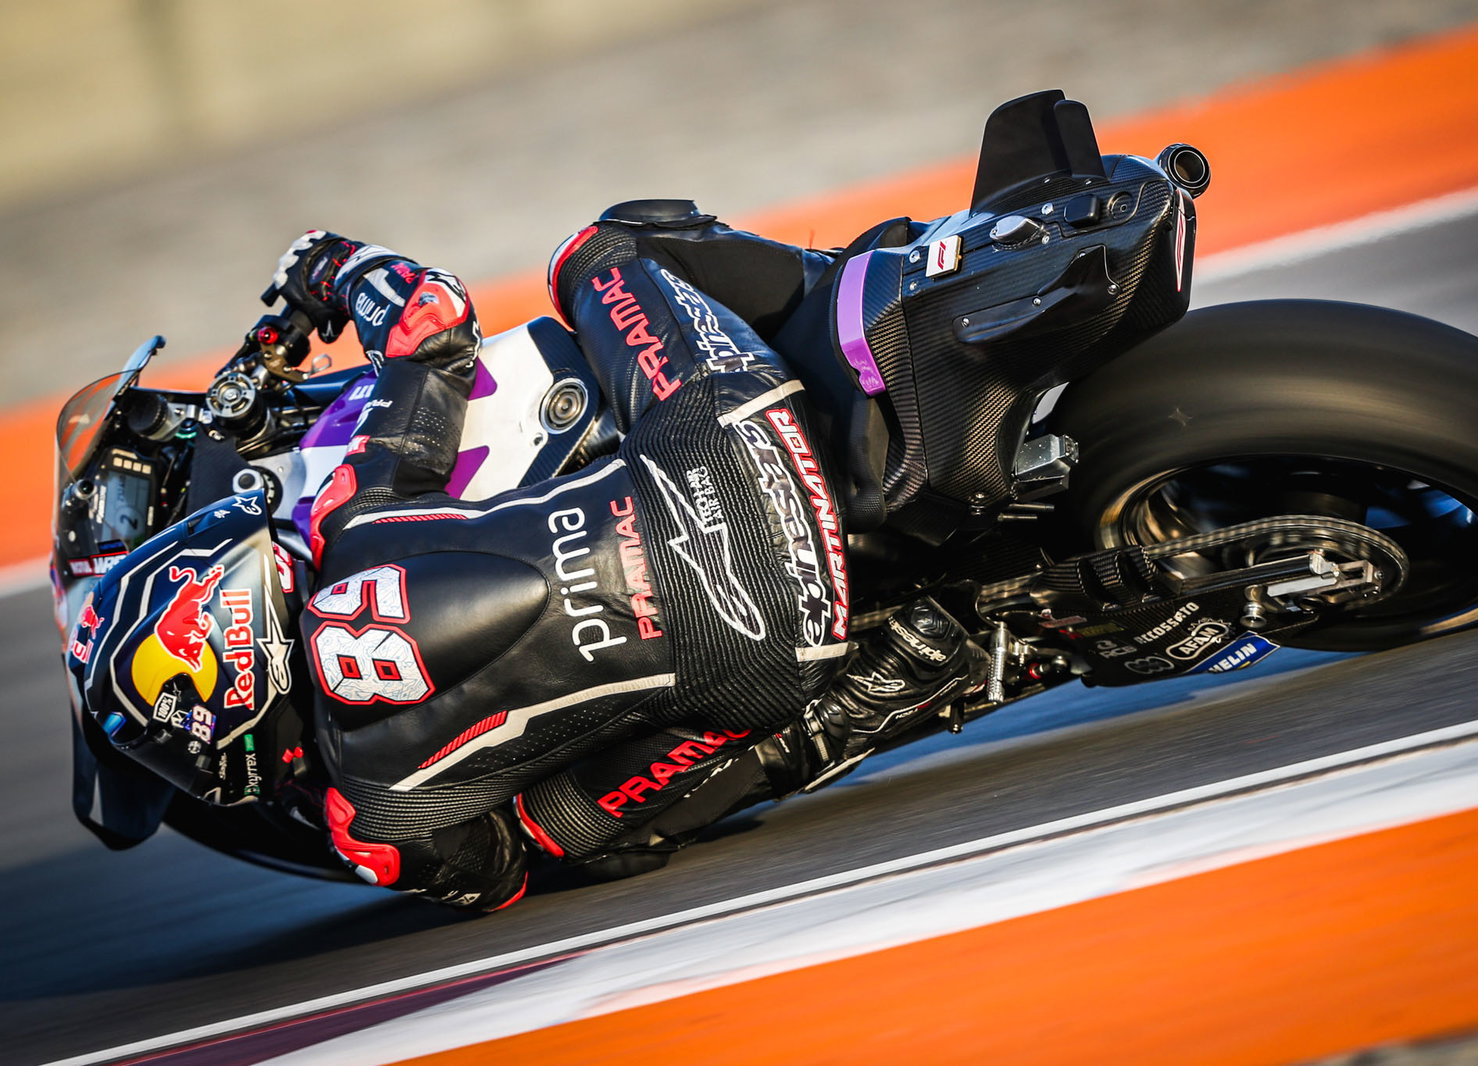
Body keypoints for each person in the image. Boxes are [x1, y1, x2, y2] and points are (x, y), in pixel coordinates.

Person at [69, 204, 984, 911]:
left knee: (566, 830)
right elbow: (432, 322)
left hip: (778, 654)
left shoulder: (372, 827)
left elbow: (508, 872)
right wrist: (332, 266)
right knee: (606, 247)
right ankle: (881, 294)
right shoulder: (346, 520)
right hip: (734, 449)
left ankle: (864, 698)